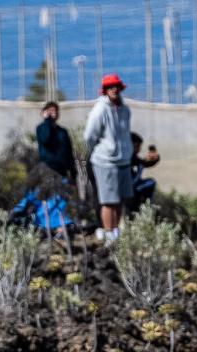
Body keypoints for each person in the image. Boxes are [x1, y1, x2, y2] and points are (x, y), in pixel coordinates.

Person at [83, 73, 133, 243]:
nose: (114, 90)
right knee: (108, 200)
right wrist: (101, 150)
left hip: (123, 161)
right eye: (110, 87)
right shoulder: (100, 109)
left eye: (116, 87)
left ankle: (116, 231)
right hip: (105, 162)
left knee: (119, 200)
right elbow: (89, 135)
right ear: (105, 90)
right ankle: (108, 233)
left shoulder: (125, 109)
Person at [35, 100, 76, 181]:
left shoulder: (63, 131)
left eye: (56, 110)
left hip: (62, 170)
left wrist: (73, 170)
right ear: (45, 112)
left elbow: (68, 151)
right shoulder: (41, 128)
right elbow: (45, 139)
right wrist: (47, 120)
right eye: (51, 111)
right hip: (48, 169)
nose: (54, 113)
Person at [126, 132, 160, 214]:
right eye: (137, 146)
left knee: (150, 182)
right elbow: (134, 181)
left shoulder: (131, 156)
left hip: (132, 186)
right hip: (129, 188)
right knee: (150, 183)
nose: (139, 149)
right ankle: (142, 207)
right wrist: (141, 167)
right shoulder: (126, 158)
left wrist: (154, 159)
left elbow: (143, 162)